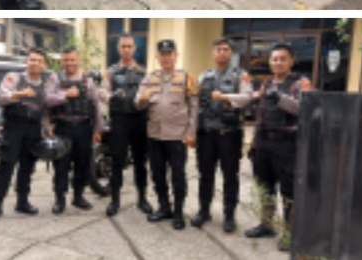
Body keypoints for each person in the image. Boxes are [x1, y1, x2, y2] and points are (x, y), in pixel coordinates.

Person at [245, 43, 312, 252]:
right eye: (274, 59)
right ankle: (267, 225)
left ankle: (290, 233)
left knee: (288, 191)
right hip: (264, 142)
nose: (278, 63)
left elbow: (305, 108)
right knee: (264, 186)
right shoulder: (266, 83)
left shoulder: (301, 83)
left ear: (291, 61)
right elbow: (259, 116)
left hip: (287, 144)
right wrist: (254, 145)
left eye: (283, 59)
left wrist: (280, 98)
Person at [135, 40, 198, 231]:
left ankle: (178, 212)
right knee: (157, 174)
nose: (166, 58)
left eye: (169, 54)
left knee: (178, 176)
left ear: (176, 55)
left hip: (177, 136)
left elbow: (194, 108)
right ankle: (164, 207)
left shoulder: (187, 77)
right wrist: (142, 99)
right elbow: (138, 103)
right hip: (155, 135)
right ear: (157, 57)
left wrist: (191, 132)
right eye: (162, 54)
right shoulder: (150, 78)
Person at [191, 38, 252, 233]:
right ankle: (204, 211)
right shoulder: (204, 76)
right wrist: (191, 131)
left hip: (229, 134)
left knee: (230, 176)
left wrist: (226, 97)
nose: (222, 53)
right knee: (205, 174)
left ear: (231, 53)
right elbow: (195, 103)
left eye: (226, 50)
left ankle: (229, 215)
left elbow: (247, 98)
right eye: (219, 50)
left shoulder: (241, 75)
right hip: (207, 134)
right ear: (213, 53)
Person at [0, 49, 48, 223]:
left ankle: (22, 202)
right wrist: (19, 94)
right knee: (6, 167)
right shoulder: (14, 78)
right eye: (32, 60)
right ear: (26, 62)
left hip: (33, 129)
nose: (35, 63)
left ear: (44, 65)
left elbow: (45, 112)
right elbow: (1, 98)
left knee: (27, 168)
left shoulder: (44, 86)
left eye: (39, 61)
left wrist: (47, 128)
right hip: (14, 127)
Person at [45, 48, 104, 214]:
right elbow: (47, 101)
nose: (69, 63)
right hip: (63, 127)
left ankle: (78, 196)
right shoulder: (55, 79)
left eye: (72, 59)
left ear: (79, 60)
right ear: (61, 61)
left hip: (84, 127)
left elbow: (96, 105)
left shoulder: (88, 81)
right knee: (61, 166)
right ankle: (60, 199)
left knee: (83, 164)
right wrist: (65, 95)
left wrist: (98, 129)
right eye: (66, 60)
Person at [101, 34, 153, 217]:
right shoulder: (111, 71)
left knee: (140, 161)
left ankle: (142, 199)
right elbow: (102, 92)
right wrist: (111, 97)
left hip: (139, 120)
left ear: (135, 48)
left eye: (129, 46)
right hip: (119, 119)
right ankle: (114, 200)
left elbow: (149, 94)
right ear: (118, 48)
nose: (126, 49)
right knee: (117, 161)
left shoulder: (143, 72)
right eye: (123, 46)